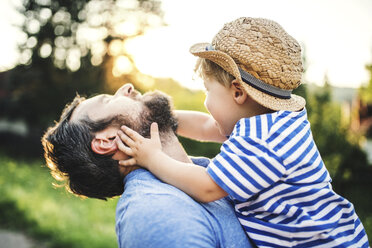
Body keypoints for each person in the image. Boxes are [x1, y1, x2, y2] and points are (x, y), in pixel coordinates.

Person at [116, 17, 370, 247]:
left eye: (208, 91)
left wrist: (151, 158)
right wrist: (156, 118)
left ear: (238, 91)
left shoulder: (262, 142)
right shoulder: (274, 123)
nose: (206, 101)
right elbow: (207, 127)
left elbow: (206, 187)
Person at [41, 83, 253, 247]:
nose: (126, 88)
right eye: (108, 100)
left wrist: (153, 114)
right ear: (107, 141)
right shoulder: (156, 213)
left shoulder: (209, 174)